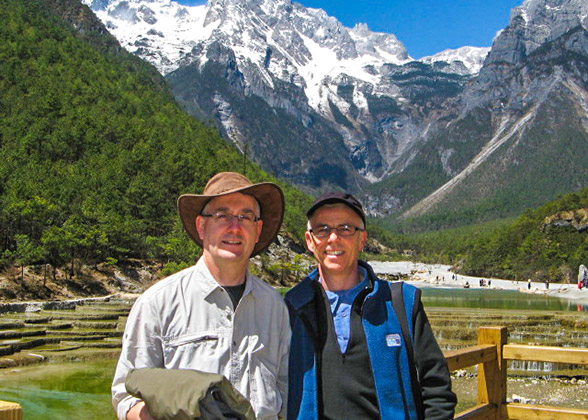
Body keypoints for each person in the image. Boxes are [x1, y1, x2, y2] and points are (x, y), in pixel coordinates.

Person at [112, 172, 291, 420]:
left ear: (257, 230)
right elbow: (125, 395)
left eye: (245, 217)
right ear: (201, 226)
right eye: (222, 215)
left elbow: (286, 391)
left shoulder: (275, 307)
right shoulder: (158, 303)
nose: (235, 227)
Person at [285, 192, 456, 420]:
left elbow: (436, 388)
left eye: (345, 228)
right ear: (309, 241)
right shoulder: (292, 306)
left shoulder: (401, 302)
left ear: (362, 239)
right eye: (322, 229)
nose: (333, 238)